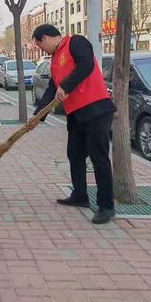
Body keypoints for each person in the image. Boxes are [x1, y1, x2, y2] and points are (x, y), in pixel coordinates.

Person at [31, 24, 116, 224]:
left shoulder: (76, 42)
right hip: (76, 114)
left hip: (96, 109)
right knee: (75, 154)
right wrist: (36, 117)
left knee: (99, 157)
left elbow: (86, 65)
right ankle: (80, 195)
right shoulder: (53, 61)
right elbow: (52, 89)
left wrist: (66, 85)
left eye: (40, 45)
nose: (42, 50)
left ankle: (106, 206)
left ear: (45, 38)